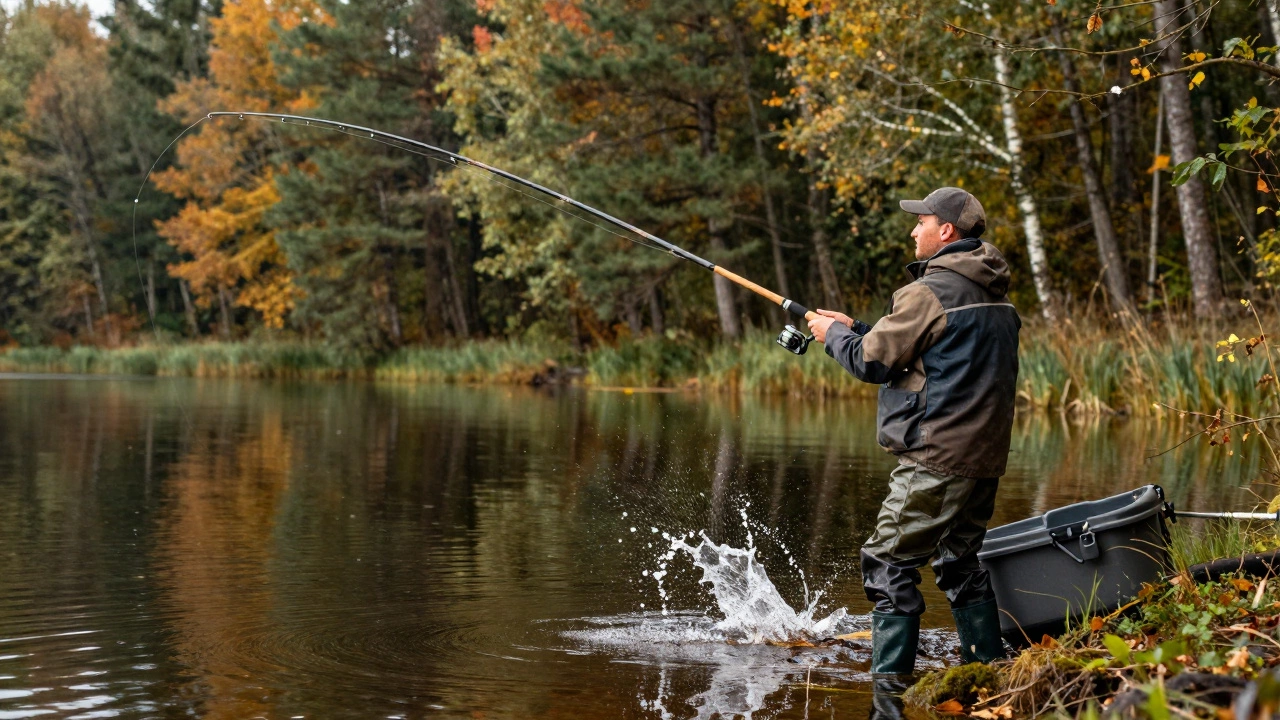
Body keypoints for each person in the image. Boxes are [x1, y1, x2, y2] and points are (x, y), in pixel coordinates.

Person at [806, 187, 1020, 676]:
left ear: (945, 231)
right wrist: (854, 325)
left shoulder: (928, 290)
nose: (913, 230)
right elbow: (932, 352)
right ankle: (986, 672)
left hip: (936, 457)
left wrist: (831, 335)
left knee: (887, 564)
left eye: (920, 221)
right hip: (983, 459)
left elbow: (870, 361)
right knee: (959, 564)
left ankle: (890, 689)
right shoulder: (993, 293)